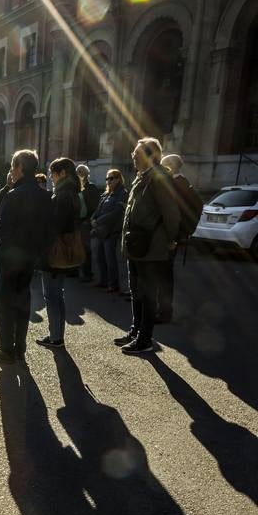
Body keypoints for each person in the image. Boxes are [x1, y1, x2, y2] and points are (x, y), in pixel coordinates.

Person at [0, 149, 53, 365]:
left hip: (9, 256)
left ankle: (6, 349)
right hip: (30, 257)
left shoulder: (14, 195)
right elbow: (47, 228)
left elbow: (3, 228)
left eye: (13, 167)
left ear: (21, 168)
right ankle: (20, 346)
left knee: (5, 304)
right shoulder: (44, 195)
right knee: (23, 302)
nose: (11, 171)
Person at [115, 137, 180, 355]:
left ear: (151, 155)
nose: (133, 156)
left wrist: (171, 240)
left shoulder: (159, 177)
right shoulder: (141, 177)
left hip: (152, 247)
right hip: (136, 245)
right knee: (136, 291)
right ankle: (136, 331)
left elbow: (171, 212)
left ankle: (145, 339)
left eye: (137, 153)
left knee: (148, 293)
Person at [37, 158, 81, 349]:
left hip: (56, 251)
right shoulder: (71, 192)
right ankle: (57, 334)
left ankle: (56, 337)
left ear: (62, 173)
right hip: (65, 249)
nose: (51, 178)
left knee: (52, 296)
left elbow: (55, 226)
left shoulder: (62, 194)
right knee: (57, 295)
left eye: (52, 173)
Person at [157, 153, 189, 322]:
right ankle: (162, 309)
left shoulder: (177, 184)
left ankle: (164, 312)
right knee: (163, 274)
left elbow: (173, 213)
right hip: (172, 235)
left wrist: (171, 237)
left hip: (171, 236)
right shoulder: (181, 182)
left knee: (164, 275)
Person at [91, 169, 127, 292]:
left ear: (118, 179)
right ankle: (103, 280)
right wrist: (93, 219)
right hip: (100, 230)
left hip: (111, 231)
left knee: (110, 258)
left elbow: (116, 212)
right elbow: (97, 209)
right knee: (100, 257)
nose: (108, 181)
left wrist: (99, 220)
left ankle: (113, 284)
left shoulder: (122, 193)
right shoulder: (105, 194)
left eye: (111, 178)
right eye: (107, 178)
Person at [76, 163, 101, 282]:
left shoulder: (91, 188)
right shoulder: (77, 187)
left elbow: (95, 206)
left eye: (82, 173)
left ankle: (87, 273)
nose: (80, 175)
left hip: (86, 222)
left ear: (86, 174)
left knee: (86, 248)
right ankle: (77, 271)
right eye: (79, 173)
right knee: (78, 247)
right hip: (78, 221)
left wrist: (88, 220)